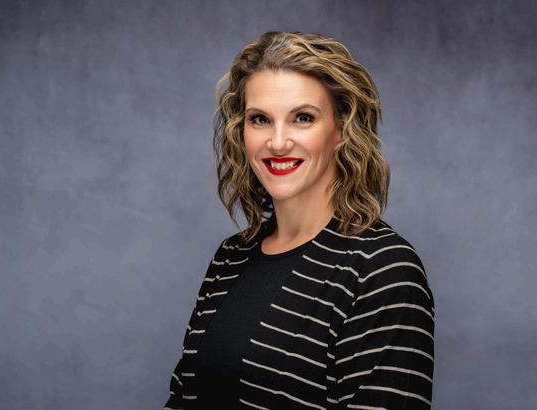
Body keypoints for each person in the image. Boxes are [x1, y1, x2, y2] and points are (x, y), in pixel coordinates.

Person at [164, 31, 435, 409]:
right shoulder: (231, 256)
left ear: (341, 131)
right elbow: (183, 399)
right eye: (260, 119)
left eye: (302, 118)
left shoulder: (382, 269)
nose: (277, 142)